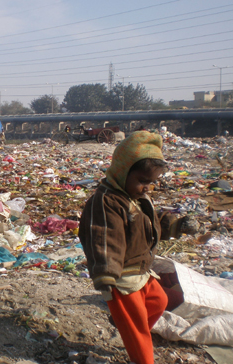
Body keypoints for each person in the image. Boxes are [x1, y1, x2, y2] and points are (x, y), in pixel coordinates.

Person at [79, 131, 190, 364]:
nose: (147, 187)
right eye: (142, 181)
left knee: (159, 300)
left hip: (140, 269)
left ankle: (126, 323)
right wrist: (106, 277)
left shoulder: (137, 197)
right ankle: (141, 355)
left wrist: (175, 225)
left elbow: (149, 225)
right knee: (138, 329)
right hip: (120, 276)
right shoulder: (106, 201)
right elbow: (103, 238)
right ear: (122, 171)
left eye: (151, 182)